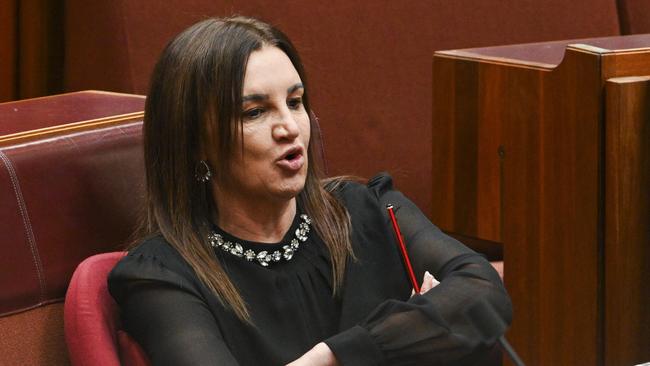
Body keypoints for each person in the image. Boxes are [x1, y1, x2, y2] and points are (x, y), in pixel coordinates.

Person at [108, 16, 512, 366]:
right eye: (254, 112)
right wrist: (414, 332)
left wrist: (332, 356)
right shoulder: (162, 277)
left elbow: (482, 293)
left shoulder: (368, 208)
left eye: (296, 102)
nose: (290, 127)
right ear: (196, 140)